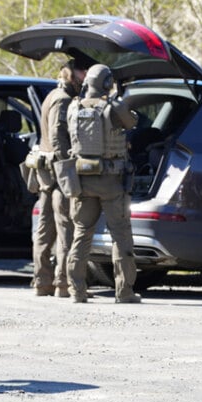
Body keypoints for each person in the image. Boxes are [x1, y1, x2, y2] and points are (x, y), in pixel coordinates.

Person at [64, 64, 140, 304]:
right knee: (120, 236)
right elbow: (132, 122)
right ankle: (124, 291)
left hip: (82, 180)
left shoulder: (73, 107)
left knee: (81, 234)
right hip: (111, 181)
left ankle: (76, 290)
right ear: (107, 83)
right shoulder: (113, 108)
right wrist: (118, 99)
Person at [30, 59, 86, 297]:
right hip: (57, 175)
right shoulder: (63, 99)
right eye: (82, 71)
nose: (85, 76)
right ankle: (62, 284)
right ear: (72, 74)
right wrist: (67, 169)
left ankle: (42, 283)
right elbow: (57, 138)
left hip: (45, 173)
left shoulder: (52, 95)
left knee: (44, 230)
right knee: (66, 229)